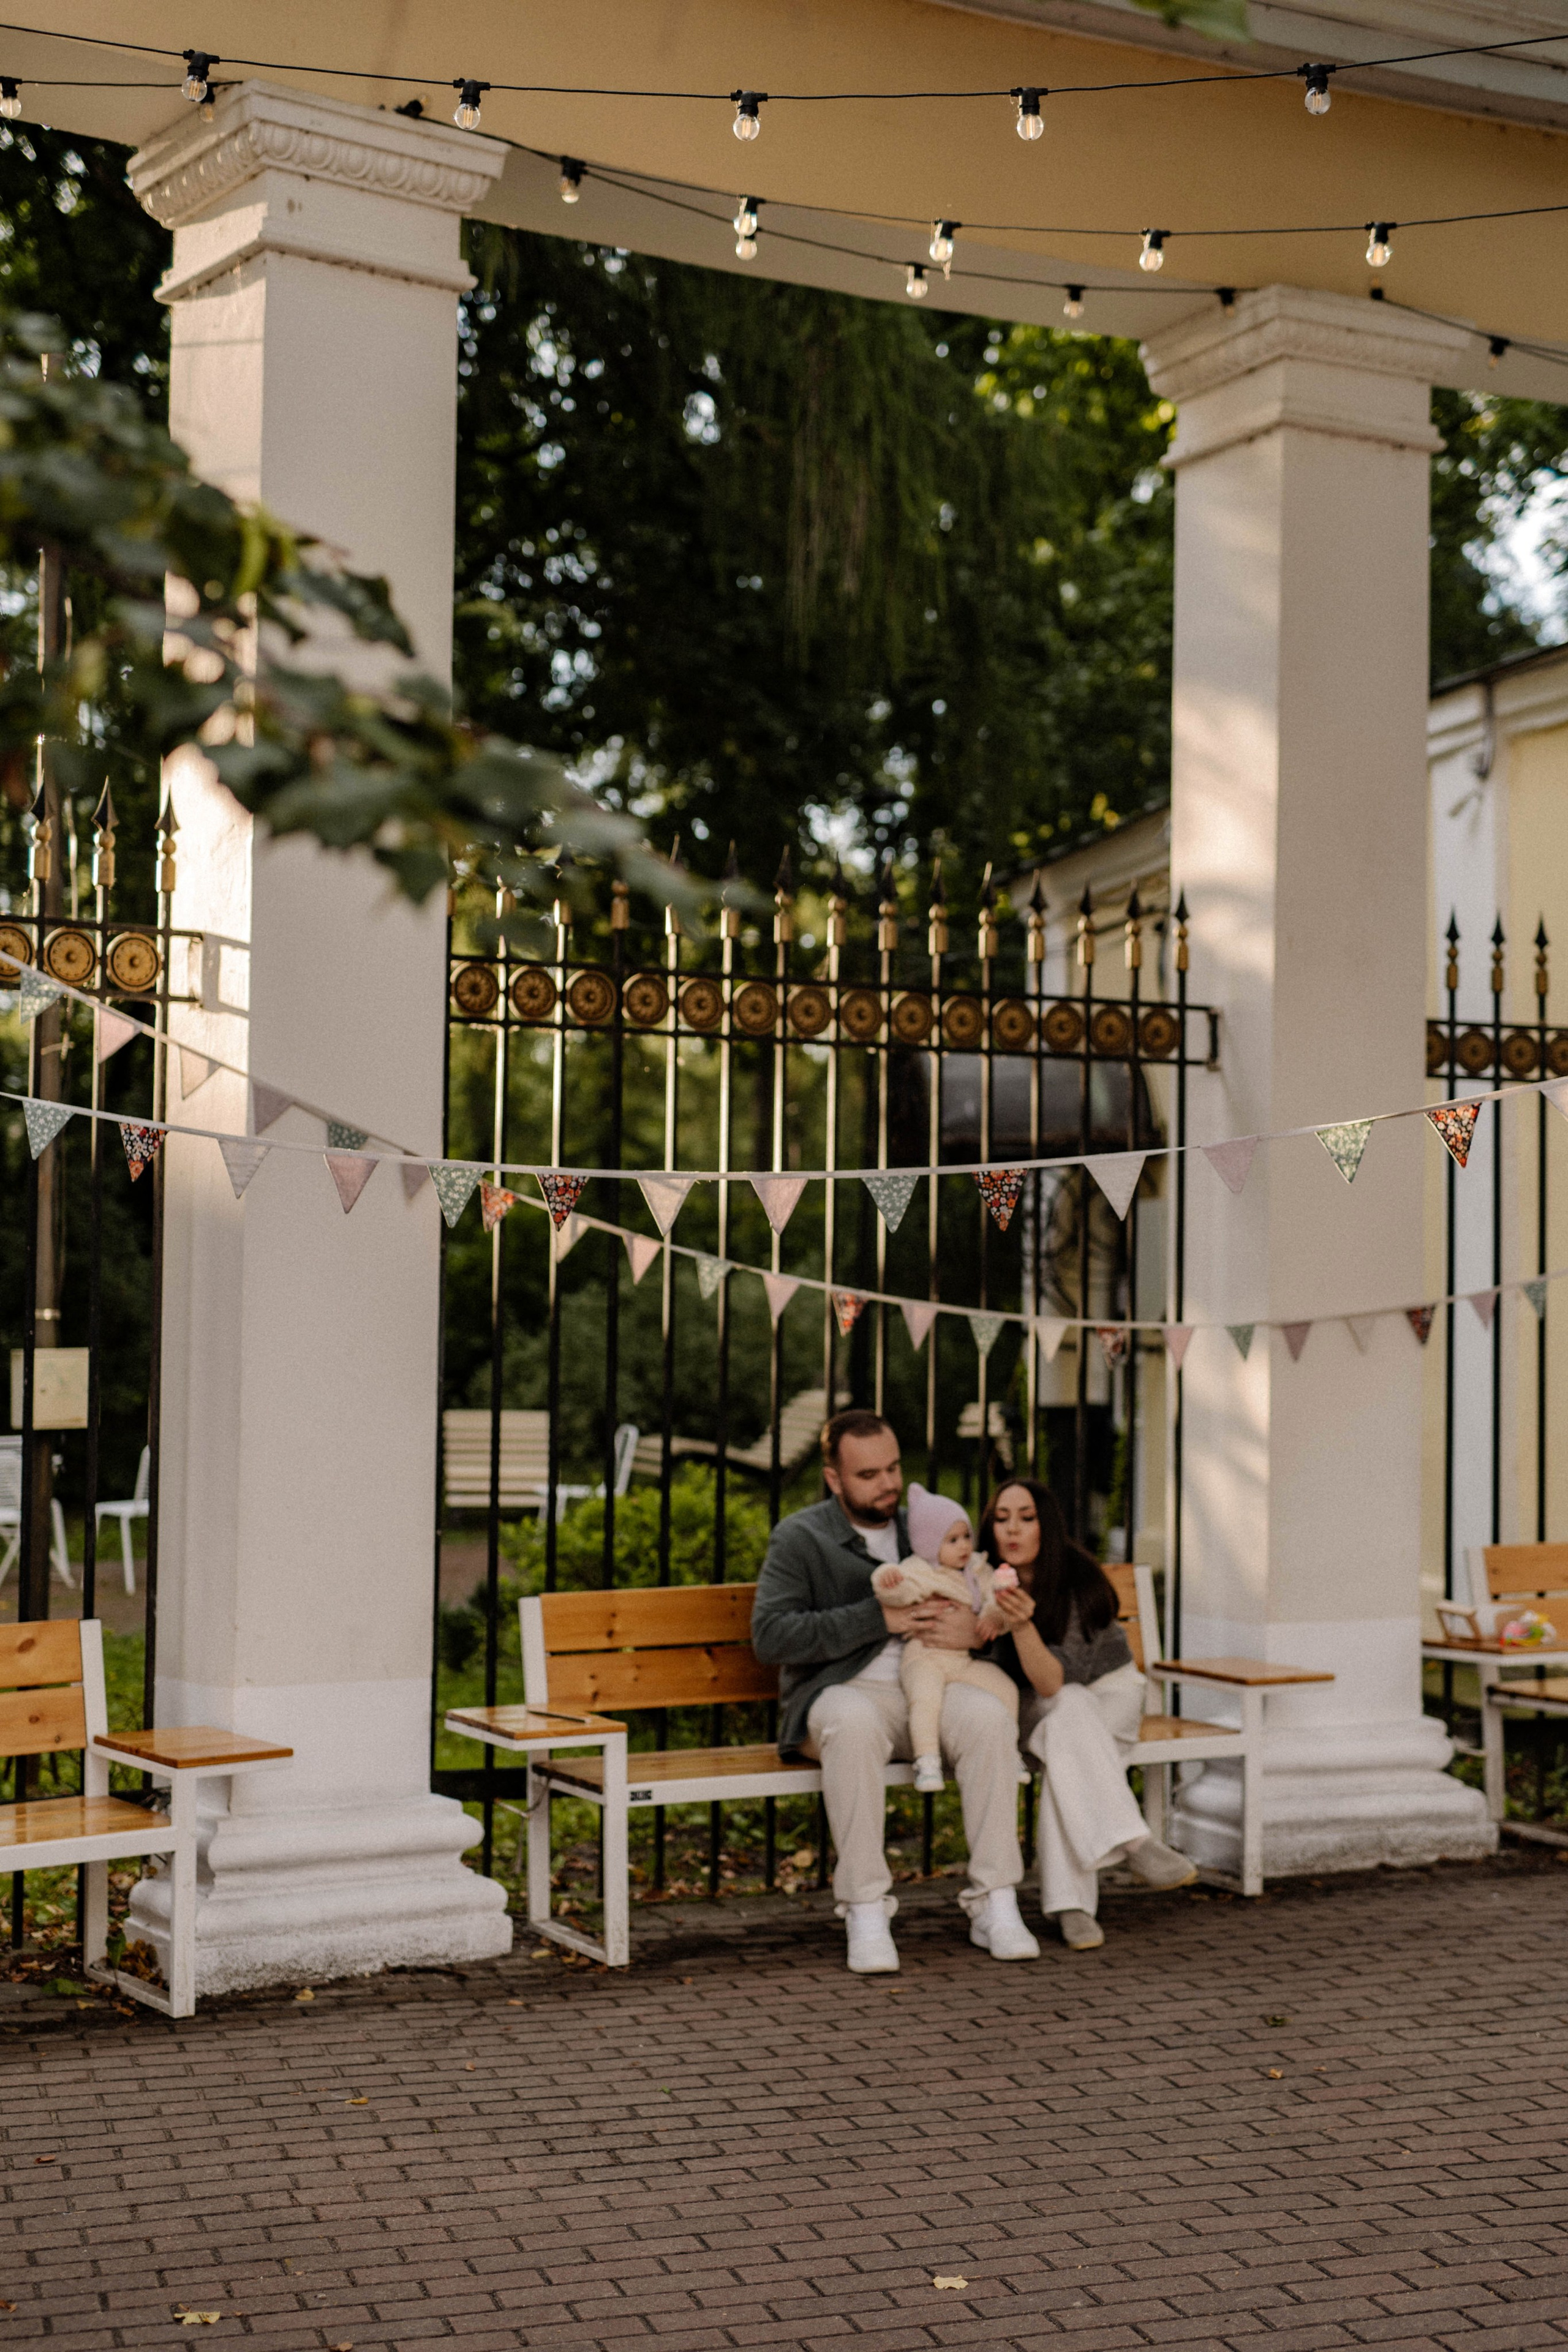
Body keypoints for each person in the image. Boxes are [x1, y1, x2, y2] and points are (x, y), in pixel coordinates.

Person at [751, 1410, 1040, 1974]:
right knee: (852, 1723)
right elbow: (771, 1636)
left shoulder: (931, 1526)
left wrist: (973, 1633)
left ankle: (995, 1901)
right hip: (844, 1692)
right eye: (867, 1475)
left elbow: (982, 1598)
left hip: (937, 1686)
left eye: (893, 1469)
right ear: (834, 1479)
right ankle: (864, 1909)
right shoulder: (801, 1537)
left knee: (986, 1717)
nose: (886, 1485)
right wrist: (877, 1618)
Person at [979, 1477, 1197, 1951]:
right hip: (1036, 1708)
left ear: (1047, 1526)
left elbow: (1061, 1677)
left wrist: (1020, 1625)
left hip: (1110, 1694)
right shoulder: (980, 1578)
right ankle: (1135, 1844)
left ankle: (1071, 1907)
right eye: (1002, 1519)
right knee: (1068, 1716)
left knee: (1070, 1728)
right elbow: (1046, 1690)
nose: (1012, 1530)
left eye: (1026, 1518)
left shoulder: (1076, 1577)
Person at [869, 1485, 1020, 1794]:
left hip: (961, 1662)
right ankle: (926, 1762)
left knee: (1005, 1688)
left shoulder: (977, 1568)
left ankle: (1010, 1751)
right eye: (952, 1540)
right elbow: (899, 1591)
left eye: (966, 1536)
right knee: (925, 1699)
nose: (964, 1546)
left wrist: (994, 1615)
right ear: (929, 1544)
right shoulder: (922, 1570)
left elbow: (996, 1598)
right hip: (924, 1656)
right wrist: (888, 1581)